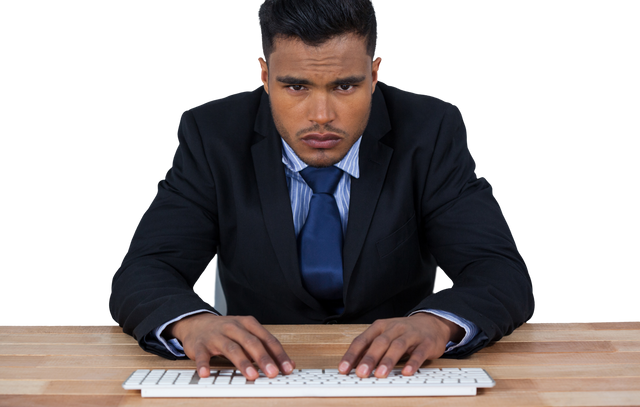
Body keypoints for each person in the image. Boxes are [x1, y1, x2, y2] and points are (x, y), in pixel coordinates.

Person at [107, 0, 537, 382]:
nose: (321, 116)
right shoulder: (211, 133)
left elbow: (499, 270)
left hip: (400, 376)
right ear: (264, 73)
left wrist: (436, 324)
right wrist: (193, 323)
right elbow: (145, 269)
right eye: (296, 86)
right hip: (255, 377)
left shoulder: (431, 128)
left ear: (374, 73)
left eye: (344, 86)